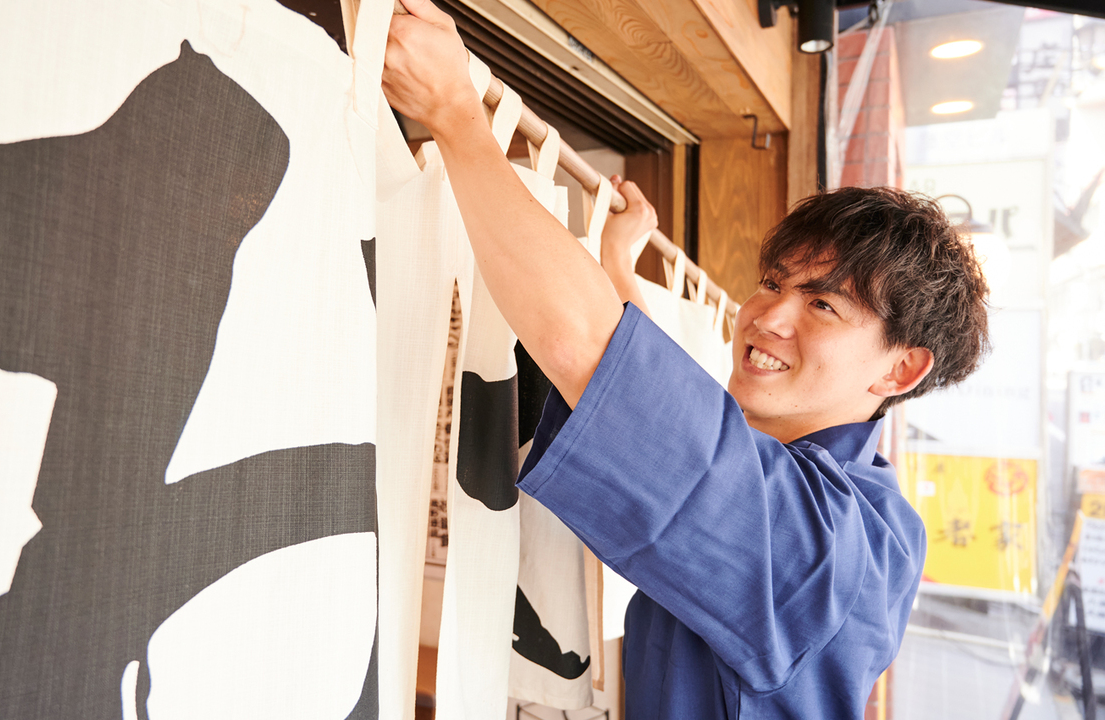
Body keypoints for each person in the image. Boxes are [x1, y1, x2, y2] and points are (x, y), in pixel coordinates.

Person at [382, 1, 991, 716]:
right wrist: (619, 265)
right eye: (772, 283)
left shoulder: (828, 549)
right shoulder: (847, 494)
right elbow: (669, 416)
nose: (767, 316)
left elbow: (603, 368)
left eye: (823, 306)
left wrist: (456, 112)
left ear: (899, 370)